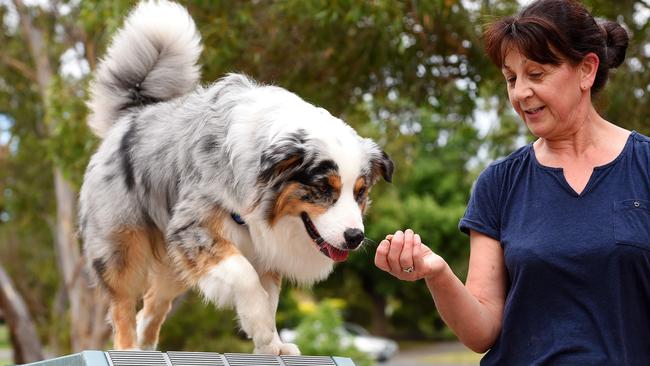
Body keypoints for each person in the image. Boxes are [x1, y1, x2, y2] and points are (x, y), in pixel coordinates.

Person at [374, 0, 650, 364]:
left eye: (536, 75)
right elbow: (482, 331)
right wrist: (437, 273)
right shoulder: (499, 182)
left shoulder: (643, 165)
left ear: (586, 70)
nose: (520, 93)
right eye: (511, 78)